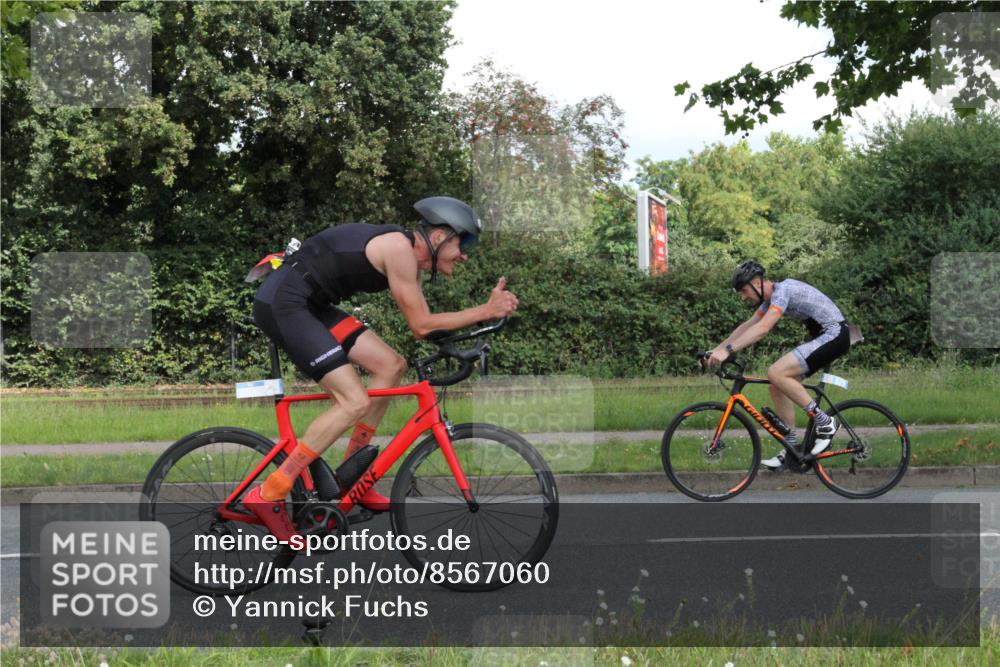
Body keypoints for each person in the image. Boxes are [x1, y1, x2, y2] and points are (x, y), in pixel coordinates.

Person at [246, 196, 518, 540]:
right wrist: (485, 311)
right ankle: (270, 492)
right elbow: (422, 325)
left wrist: (463, 341)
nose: (465, 253)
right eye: (463, 242)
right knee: (353, 401)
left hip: (311, 304)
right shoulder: (399, 251)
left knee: (392, 366)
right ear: (438, 237)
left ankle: (351, 477)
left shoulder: (412, 264)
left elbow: (429, 327)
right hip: (286, 302)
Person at [707, 260, 850, 470]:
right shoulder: (770, 300)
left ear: (757, 282)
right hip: (825, 337)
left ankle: (824, 422)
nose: (743, 297)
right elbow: (747, 326)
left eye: (744, 291)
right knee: (777, 384)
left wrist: (728, 351)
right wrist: (716, 350)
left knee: (776, 372)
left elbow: (763, 328)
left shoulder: (783, 290)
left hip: (834, 334)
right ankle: (791, 449)